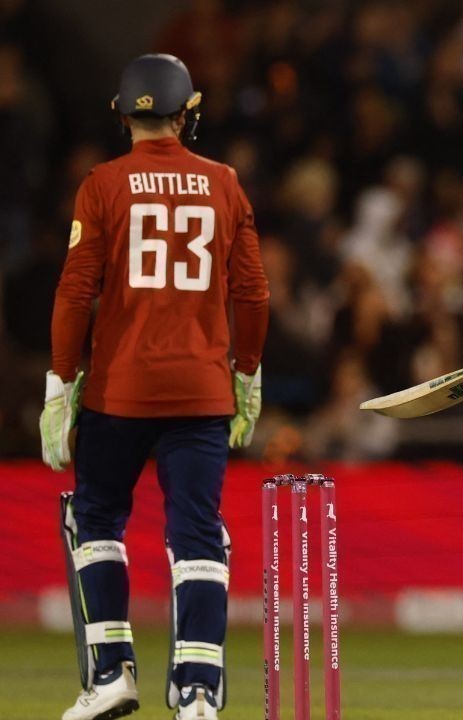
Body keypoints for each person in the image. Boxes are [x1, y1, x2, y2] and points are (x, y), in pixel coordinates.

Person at [41, 53, 268, 720]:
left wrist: (60, 383)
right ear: (187, 113)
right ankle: (198, 692)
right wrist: (247, 372)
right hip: (201, 393)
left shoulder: (103, 184)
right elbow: (253, 294)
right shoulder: (225, 183)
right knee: (197, 533)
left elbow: (74, 294)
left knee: (95, 520)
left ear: (121, 115)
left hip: (119, 391)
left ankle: (112, 674)